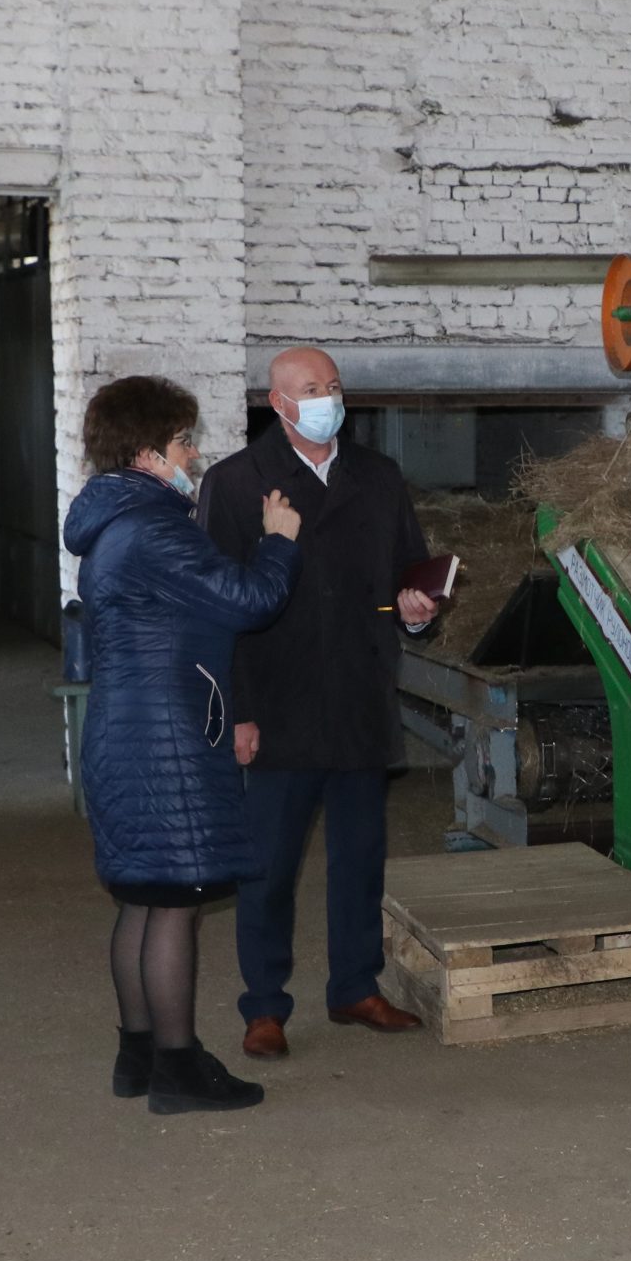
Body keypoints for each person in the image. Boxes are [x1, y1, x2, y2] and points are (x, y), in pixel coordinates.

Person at [62, 375, 302, 1114]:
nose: (193, 453)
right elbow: (248, 601)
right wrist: (278, 544)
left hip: (123, 730)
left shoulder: (109, 527)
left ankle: (137, 1055)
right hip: (166, 734)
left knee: (141, 895)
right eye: (183, 440)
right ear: (146, 451)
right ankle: (178, 1067)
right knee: (176, 903)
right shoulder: (156, 528)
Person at [197, 347, 438, 1059]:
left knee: (361, 854)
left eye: (333, 386)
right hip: (277, 700)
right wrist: (236, 711)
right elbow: (216, 612)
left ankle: (355, 987)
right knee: (268, 863)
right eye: (310, 388)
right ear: (277, 402)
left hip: (360, 693)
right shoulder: (237, 484)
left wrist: (420, 611)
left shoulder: (380, 478)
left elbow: (408, 578)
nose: (326, 397)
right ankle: (265, 1005)